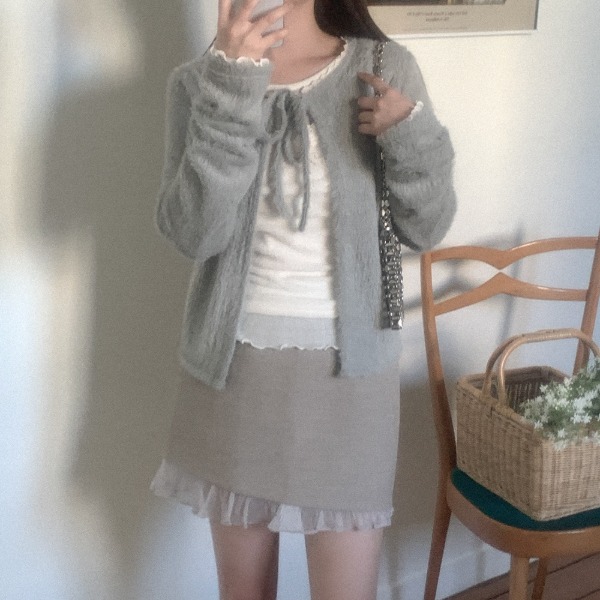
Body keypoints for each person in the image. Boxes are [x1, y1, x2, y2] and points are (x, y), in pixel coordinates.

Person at [151, 0, 456, 598]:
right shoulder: (198, 83)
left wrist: (409, 132)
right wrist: (233, 85)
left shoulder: (383, 67)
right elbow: (194, 234)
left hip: (352, 379)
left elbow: (427, 227)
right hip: (234, 372)